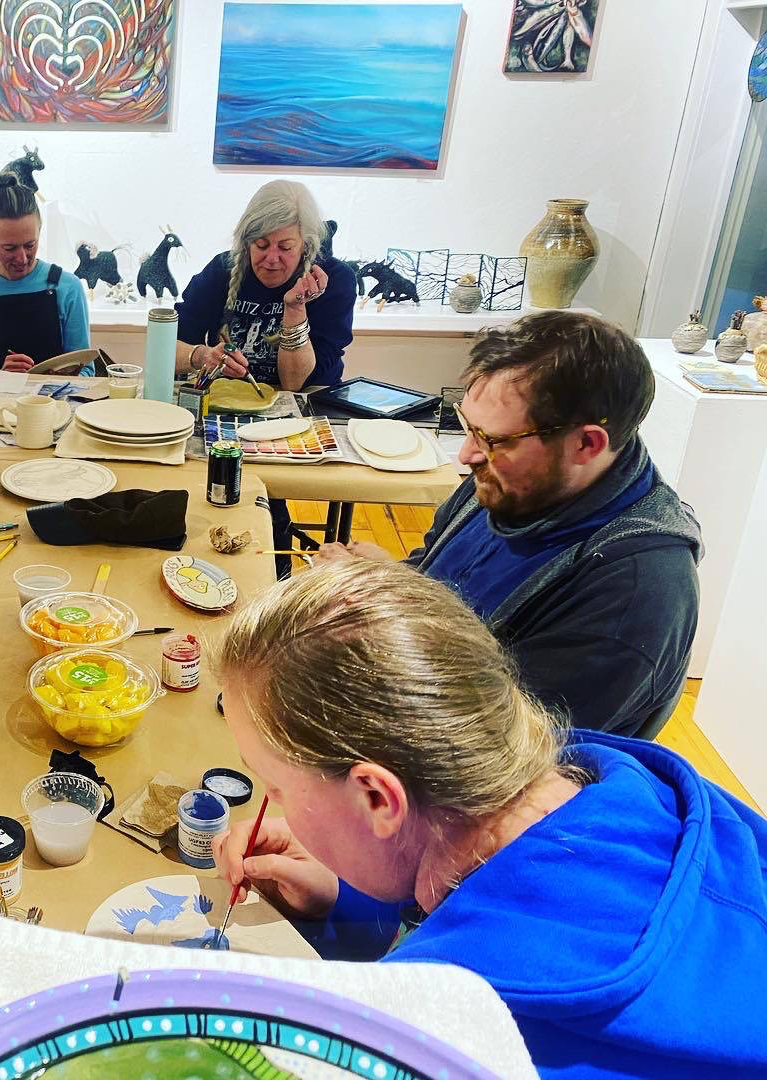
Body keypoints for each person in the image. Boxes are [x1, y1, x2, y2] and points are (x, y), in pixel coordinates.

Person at [213, 560, 766, 1078]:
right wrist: (346, 900)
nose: (272, 802)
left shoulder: (446, 1043)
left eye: (278, 787)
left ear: (378, 799)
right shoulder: (633, 794)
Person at [317, 311, 701, 739]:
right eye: (468, 427)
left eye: (491, 439)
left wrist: (376, 611)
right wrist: (390, 579)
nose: (465, 455)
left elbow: (491, 750)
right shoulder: (516, 481)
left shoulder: (633, 595)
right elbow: (439, 580)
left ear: (586, 443)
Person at [175, 179, 355, 391]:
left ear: (305, 245)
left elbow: (294, 382)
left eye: (285, 247)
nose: (271, 258)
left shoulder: (333, 279)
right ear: (246, 242)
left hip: (309, 399)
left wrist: (295, 309)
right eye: (261, 245)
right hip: (228, 399)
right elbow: (166, 348)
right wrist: (202, 356)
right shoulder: (221, 270)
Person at [0, 173, 90, 372]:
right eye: (9, 248)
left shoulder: (67, 287)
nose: (22, 258)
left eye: (30, 245)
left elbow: (86, 370)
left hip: (52, 403)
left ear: (39, 230)